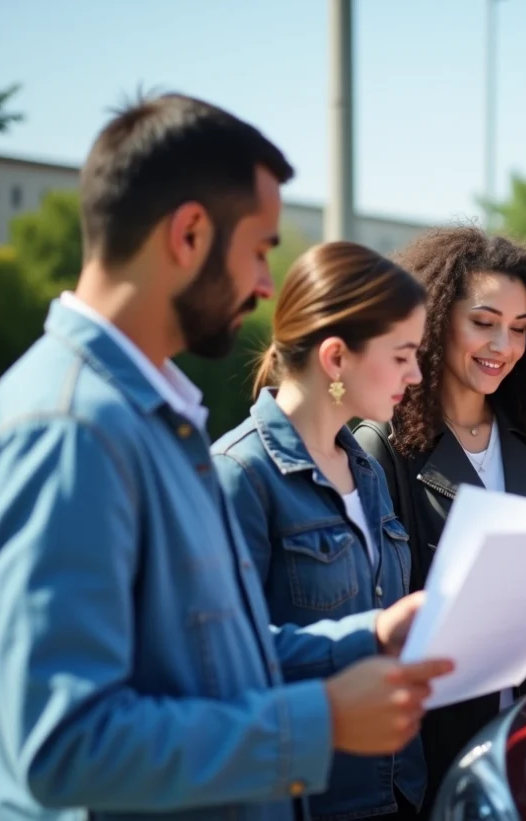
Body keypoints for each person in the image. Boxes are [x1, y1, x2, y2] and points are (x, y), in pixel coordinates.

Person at [0, 93, 451, 821]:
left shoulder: (146, 417)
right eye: (258, 249)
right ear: (188, 233)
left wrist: (367, 635)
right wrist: (319, 724)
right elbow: (63, 746)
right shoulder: (68, 431)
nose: (265, 286)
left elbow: (214, 660)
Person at [352, 225, 526, 814]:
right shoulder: (383, 444)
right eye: (483, 323)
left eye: (519, 329)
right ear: (433, 321)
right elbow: (377, 612)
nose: (502, 346)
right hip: (431, 753)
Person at [211, 241, 429, 820]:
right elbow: (226, 662)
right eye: (404, 354)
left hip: (400, 789)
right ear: (336, 359)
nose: (416, 373)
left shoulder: (366, 468)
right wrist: (375, 634)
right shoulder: (238, 476)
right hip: (310, 797)